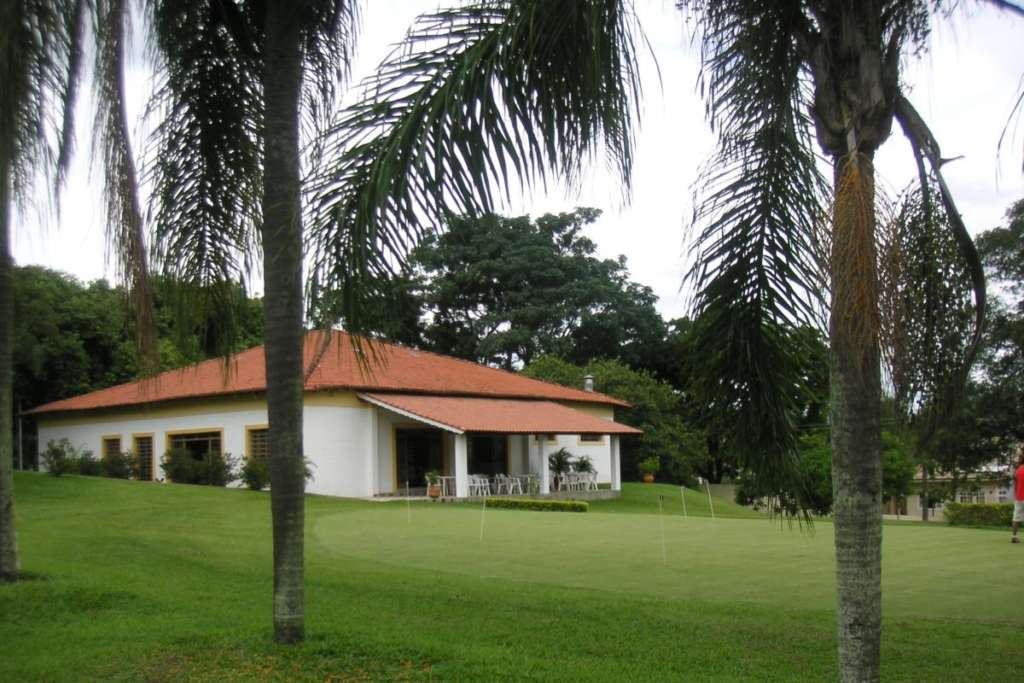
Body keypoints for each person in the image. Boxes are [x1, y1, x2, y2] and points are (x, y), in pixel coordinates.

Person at [1014, 450, 1024, 544]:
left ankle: (1014, 536)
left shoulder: (1017, 471)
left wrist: (1015, 495)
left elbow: (1015, 485)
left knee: (1016, 518)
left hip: (1018, 497)